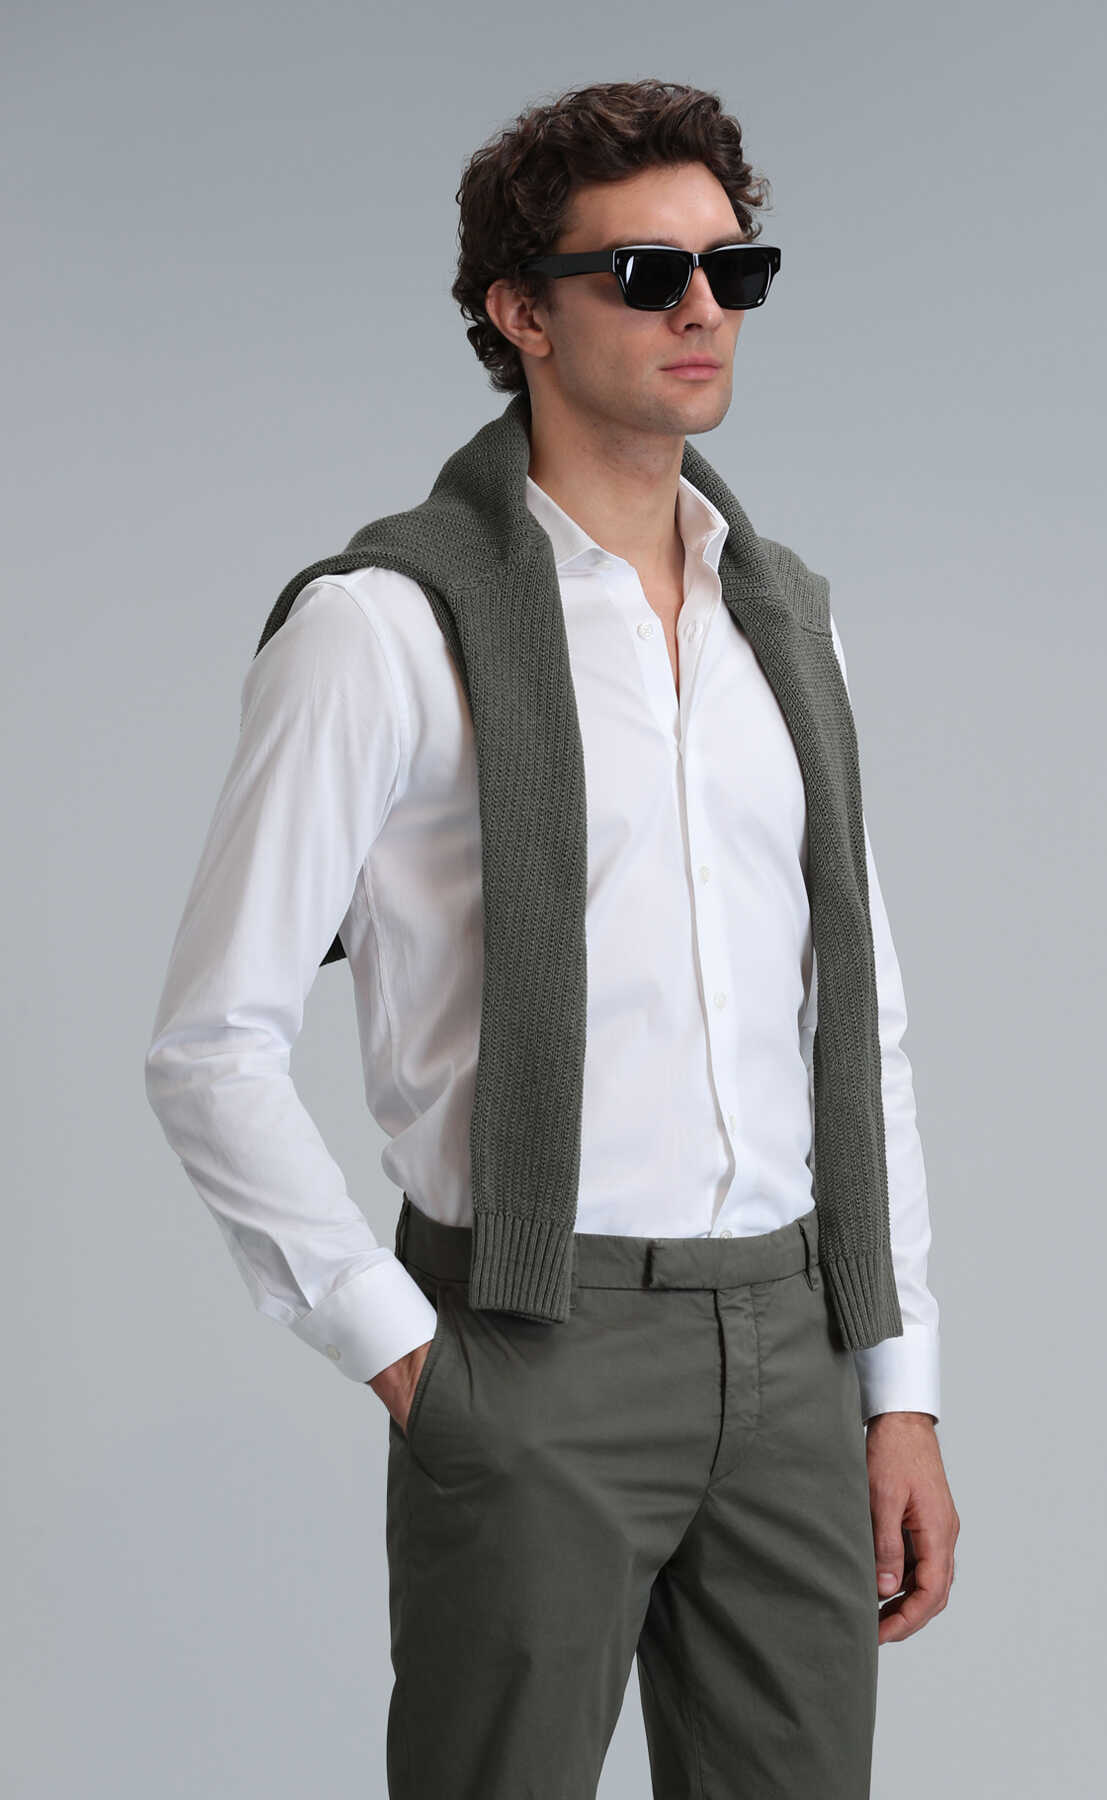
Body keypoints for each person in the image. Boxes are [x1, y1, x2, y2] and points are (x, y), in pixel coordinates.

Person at [145, 75, 958, 1800]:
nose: (701, 310)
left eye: (733, 270)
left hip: (797, 1343)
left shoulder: (787, 625)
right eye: (646, 275)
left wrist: (900, 1388)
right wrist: (410, 1360)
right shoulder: (384, 628)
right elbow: (211, 1045)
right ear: (520, 312)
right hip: (530, 1344)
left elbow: (855, 1016)